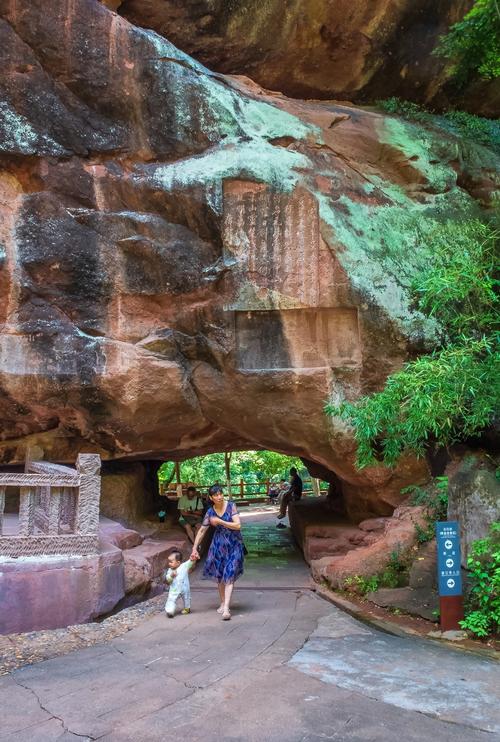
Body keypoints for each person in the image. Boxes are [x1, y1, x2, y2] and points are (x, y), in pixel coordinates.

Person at [190, 484, 244, 621]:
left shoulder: (231, 506)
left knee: (230, 573)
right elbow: (202, 530)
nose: (219, 497)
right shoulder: (210, 512)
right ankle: (222, 602)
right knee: (220, 576)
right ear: (211, 497)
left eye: (221, 494)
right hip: (218, 546)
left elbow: (238, 525)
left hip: (234, 544)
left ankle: (226, 608)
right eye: (216, 495)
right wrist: (194, 547)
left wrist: (220, 521)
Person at [164, 550, 195, 618]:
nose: (169, 563)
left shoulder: (184, 566)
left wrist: (192, 559)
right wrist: (171, 576)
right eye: (169, 561)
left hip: (185, 587)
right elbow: (168, 579)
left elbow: (189, 563)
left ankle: (187, 608)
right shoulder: (170, 571)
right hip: (174, 589)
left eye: (171, 562)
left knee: (186, 598)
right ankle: (170, 611)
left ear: (178, 562)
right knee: (171, 599)